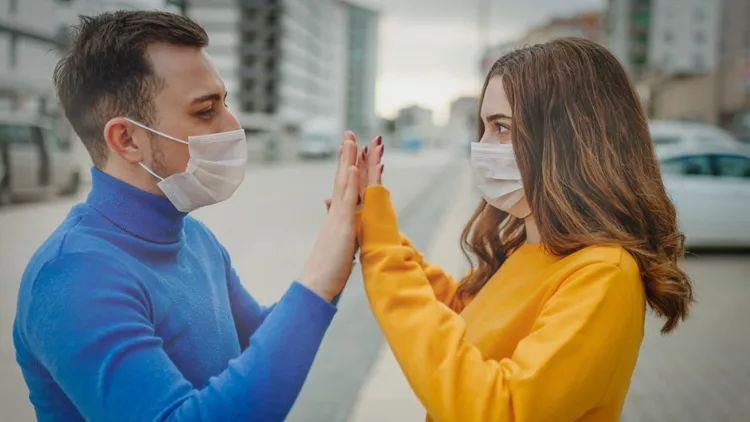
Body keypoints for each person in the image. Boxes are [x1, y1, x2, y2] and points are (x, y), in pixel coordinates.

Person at [12, 11, 363, 422]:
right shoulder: (73, 277)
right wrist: (322, 273)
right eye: (205, 110)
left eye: (225, 103)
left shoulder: (195, 239)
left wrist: (342, 244)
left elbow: (259, 346)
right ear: (127, 139)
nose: (233, 125)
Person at [353, 38, 694, 421]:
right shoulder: (531, 250)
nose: (482, 146)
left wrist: (383, 252)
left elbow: (501, 409)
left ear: (571, 140)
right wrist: (375, 230)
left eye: (502, 128)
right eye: (483, 127)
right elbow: (463, 313)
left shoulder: (603, 275)